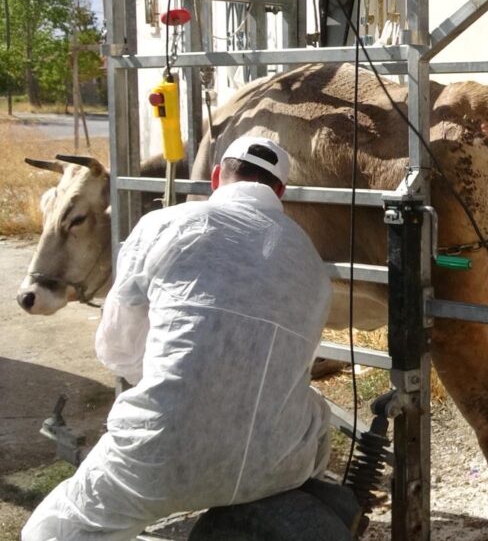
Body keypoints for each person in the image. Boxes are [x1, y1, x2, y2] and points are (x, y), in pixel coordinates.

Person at [24, 137, 333, 540]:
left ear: (218, 176)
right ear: (281, 192)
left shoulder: (164, 225)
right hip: (278, 464)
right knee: (317, 416)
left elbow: (116, 348)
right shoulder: (309, 260)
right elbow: (294, 364)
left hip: (156, 458)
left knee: (48, 532)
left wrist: (186, 383)